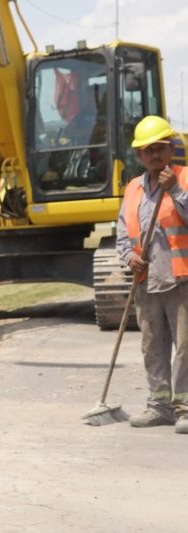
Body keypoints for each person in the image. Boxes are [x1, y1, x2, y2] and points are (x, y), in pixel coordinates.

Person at [115, 115, 188, 434]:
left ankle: (185, 407)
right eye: (147, 151)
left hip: (181, 279)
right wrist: (129, 257)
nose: (154, 156)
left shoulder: (185, 179)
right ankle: (160, 405)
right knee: (152, 345)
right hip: (146, 282)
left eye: (159, 148)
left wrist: (176, 193)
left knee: (186, 346)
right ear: (139, 156)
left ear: (171, 148)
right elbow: (121, 233)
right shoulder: (133, 189)